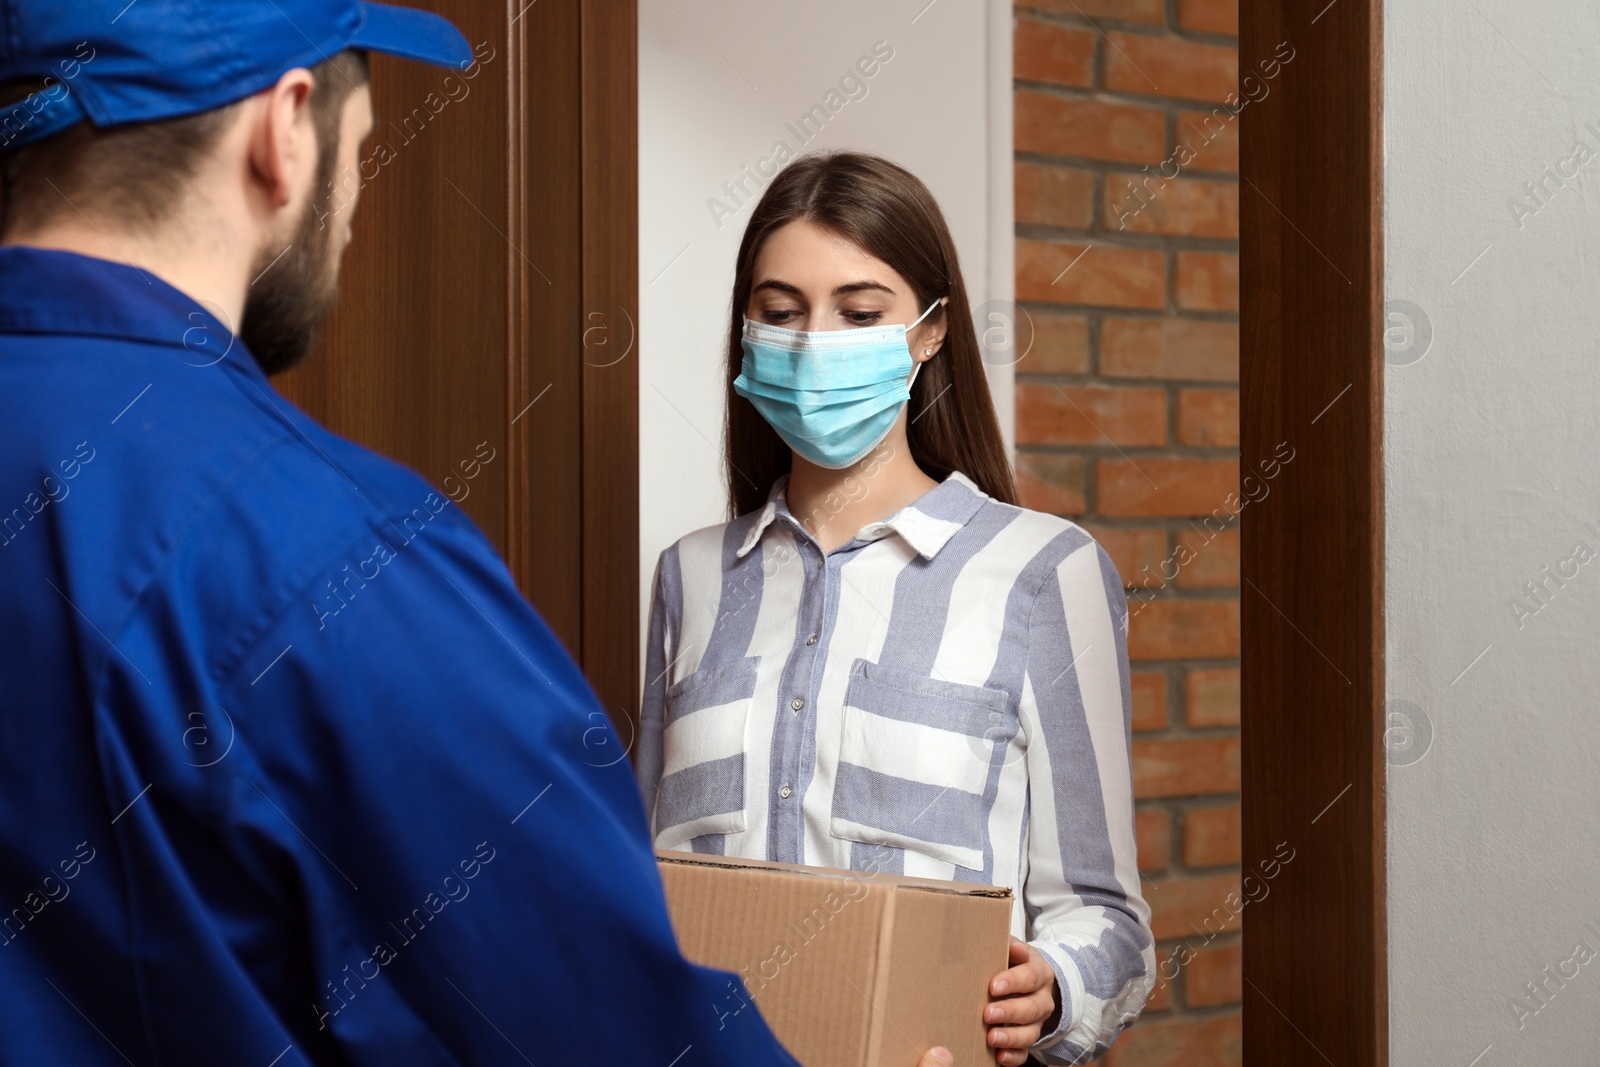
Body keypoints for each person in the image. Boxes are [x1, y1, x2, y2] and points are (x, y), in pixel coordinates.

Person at [0, 4, 959, 1064]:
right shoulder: (331, 554)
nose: (354, 203)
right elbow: (596, 1022)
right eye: (361, 153)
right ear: (286, 132)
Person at [635, 151, 1157, 1066]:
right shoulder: (689, 577)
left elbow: (1109, 921)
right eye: (781, 311)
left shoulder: (1045, 572)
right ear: (746, 329)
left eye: (860, 311)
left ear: (928, 332)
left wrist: (1052, 987)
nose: (810, 343)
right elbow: (642, 884)